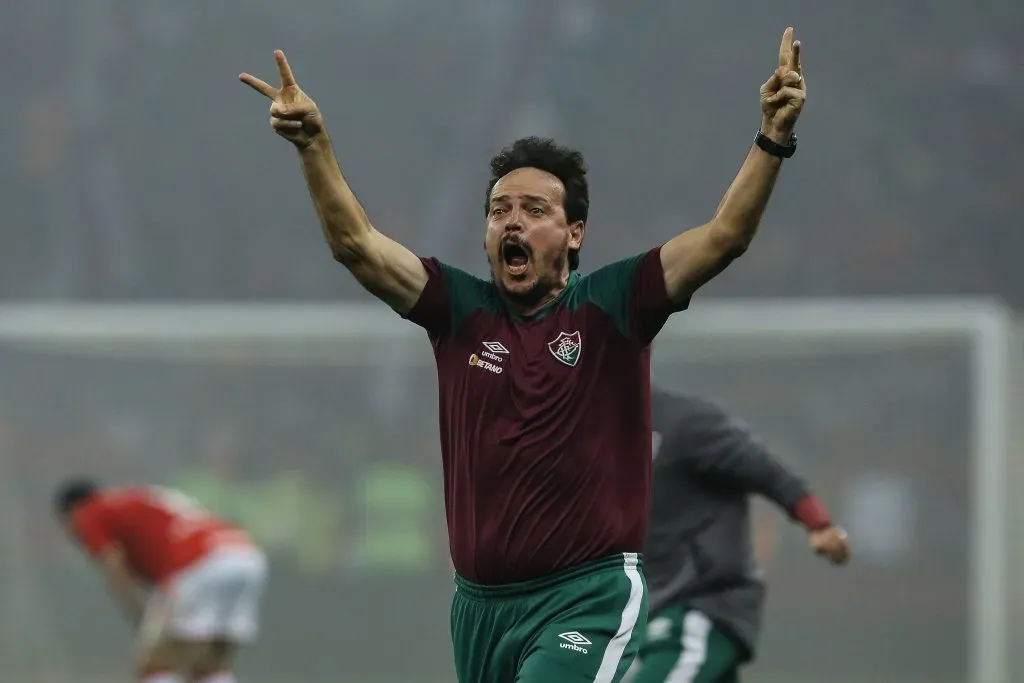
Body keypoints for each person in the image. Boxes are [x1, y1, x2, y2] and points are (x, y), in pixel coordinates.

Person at [240, 27, 807, 683]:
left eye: (534, 209)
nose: (511, 222)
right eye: (499, 210)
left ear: (573, 233)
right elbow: (357, 246)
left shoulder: (614, 302)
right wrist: (313, 145)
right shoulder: (458, 310)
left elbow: (724, 236)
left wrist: (772, 137)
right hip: (478, 609)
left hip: (586, 597)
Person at [624, 388, 850, 683]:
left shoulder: (683, 420)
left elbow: (765, 468)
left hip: (702, 603)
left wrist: (819, 523)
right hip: (652, 607)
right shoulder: (592, 435)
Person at [54, 479, 268, 683]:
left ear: (71, 512)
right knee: (210, 664)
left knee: (155, 664)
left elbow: (113, 563)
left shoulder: (89, 512)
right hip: (245, 555)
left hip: (199, 563)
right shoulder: (136, 498)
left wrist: (139, 615)